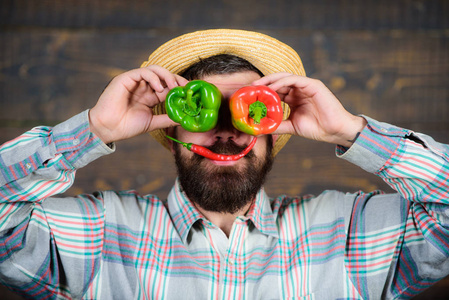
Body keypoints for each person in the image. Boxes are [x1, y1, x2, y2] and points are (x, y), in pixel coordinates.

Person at [0, 29, 448, 299]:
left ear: (274, 128)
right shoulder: (101, 234)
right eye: (202, 110)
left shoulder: (349, 231)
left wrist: (351, 131)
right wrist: (93, 129)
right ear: (172, 127)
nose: (227, 131)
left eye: (248, 110)